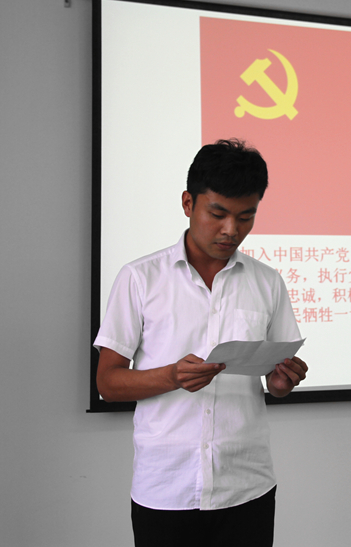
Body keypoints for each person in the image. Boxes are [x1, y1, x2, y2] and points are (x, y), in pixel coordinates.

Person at [94, 138, 308, 547]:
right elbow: (107, 383)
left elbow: (275, 381)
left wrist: (281, 383)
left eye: (246, 217)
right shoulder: (140, 278)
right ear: (188, 203)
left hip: (246, 484)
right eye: (218, 214)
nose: (231, 230)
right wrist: (172, 376)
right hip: (166, 487)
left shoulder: (268, 282)